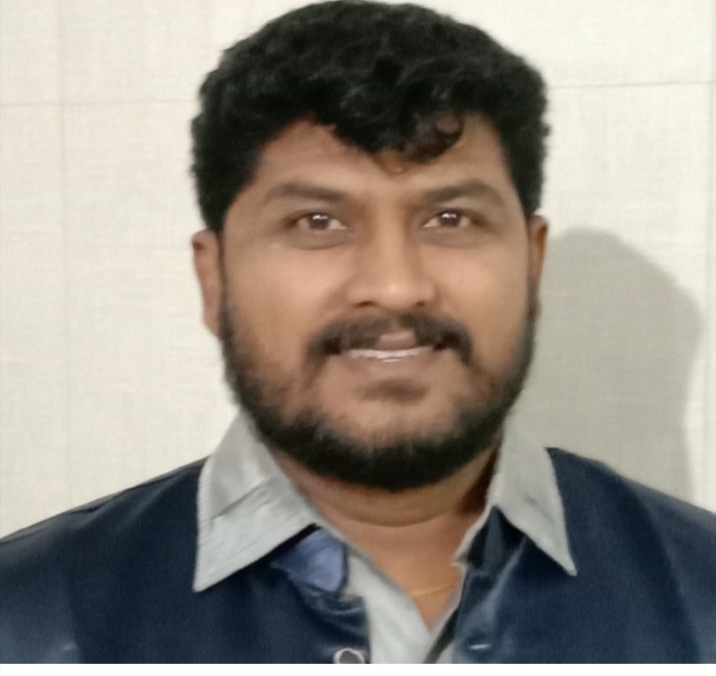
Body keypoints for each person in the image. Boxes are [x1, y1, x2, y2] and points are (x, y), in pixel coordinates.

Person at [1, 0, 714, 664]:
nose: (396, 286)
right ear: (213, 279)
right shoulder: (29, 619)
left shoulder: (700, 588)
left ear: (531, 264)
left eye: (451, 219)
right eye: (318, 222)